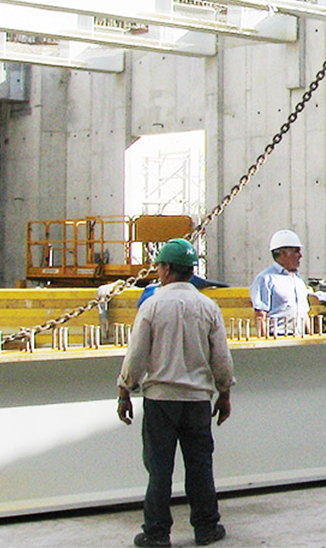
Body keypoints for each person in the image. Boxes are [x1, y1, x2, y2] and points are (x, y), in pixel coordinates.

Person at [117, 238, 234, 548]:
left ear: (166, 269)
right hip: (197, 402)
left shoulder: (152, 306)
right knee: (200, 467)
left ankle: (156, 533)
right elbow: (221, 358)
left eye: (159, 267)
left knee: (159, 470)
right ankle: (207, 528)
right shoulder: (208, 307)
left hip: (160, 403)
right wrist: (224, 393)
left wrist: (125, 389)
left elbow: (137, 355)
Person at [249, 229, 312, 336]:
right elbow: (261, 314)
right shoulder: (266, 279)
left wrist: (311, 338)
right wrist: (266, 344)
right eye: (296, 251)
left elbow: (304, 313)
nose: (300, 255)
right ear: (283, 253)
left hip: (299, 338)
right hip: (278, 337)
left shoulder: (298, 280)